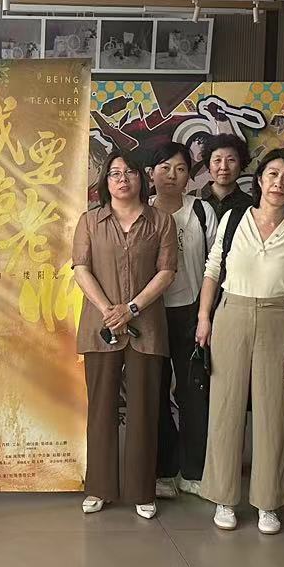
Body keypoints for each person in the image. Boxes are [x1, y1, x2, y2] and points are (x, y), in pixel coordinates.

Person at [196, 149, 284, 534]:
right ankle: (223, 496)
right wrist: (204, 317)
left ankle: (268, 501)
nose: (279, 183)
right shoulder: (234, 219)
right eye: (273, 174)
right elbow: (213, 269)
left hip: (278, 318)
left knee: (273, 410)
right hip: (231, 312)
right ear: (259, 180)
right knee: (225, 407)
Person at [73, 149, 178, 519]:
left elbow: (167, 272)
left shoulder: (161, 221)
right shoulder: (90, 220)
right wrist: (109, 311)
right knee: (101, 407)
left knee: (144, 408)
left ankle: (141, 490)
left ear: (141, 178)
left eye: (130, 172)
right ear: (106, 180)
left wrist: (131, 309)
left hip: (145, 324)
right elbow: (80, 268)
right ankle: (99, 488)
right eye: (115, 173)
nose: (122, 179)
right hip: (100, 324)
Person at [148, 142, 216, 500]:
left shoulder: (202, 211)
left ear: (190, 175)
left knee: (193, 392)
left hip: (191, 312)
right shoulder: (141, 212)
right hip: (150, 314)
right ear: (151, 174)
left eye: (180, 169)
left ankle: (194, 470)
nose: (171, 175)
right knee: (155, 391)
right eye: (164, 167)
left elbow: (216, 265)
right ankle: (163, 469)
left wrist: (207, 314)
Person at [196, 134, 252, 222]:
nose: (224, 167)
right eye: (217, 160)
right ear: (209, 165)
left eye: (231, 160)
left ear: (241, 164)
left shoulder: (250, 206)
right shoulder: (192, 199)